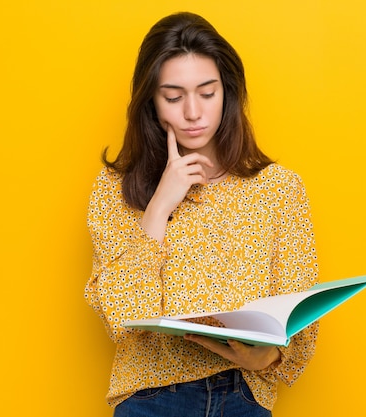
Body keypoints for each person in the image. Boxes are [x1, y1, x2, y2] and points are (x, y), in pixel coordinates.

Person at [84, 11, 319, 417]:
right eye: (173, 97)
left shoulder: (279, 189)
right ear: (152, 103)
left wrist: (268, 360)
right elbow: (122, 317)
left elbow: (301, 319)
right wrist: (159, 205)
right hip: (150, 397)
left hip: (243, 397)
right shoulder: (114, 189)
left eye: (207, 93)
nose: (192, 112)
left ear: (227, 93)